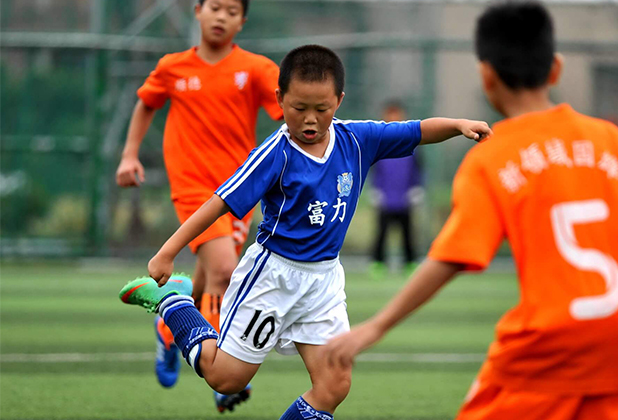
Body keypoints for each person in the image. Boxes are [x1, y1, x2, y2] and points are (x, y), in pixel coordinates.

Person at [324, 3, 618, 420]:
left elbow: (451, 257)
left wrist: (376, 325)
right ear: (556, 69)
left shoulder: (493, 160)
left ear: (486, 76)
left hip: (545, 354)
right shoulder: (611, 141)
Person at [118, 44, 491, 420]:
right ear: (280, 99)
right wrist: (167, 251)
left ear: (339, 101)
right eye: (299, 109)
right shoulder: (274, 154)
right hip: (273, 277)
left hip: (324, 282)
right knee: (225, 379)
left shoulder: (357, 140)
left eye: (321, 109)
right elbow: (219, 203)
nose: (310, 120)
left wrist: (459, 125)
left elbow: (417, 130)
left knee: (334, 384)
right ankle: (175, 301)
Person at [114, 0, 282, 410]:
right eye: (215, 7)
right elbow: (146, 103)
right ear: (198, 11)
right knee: (225, 270)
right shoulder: (173, 67)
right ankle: (223, 375)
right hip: (192, 187)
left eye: (231, 11)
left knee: (208, 279)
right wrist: (129, 154)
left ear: (242, 21)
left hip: (239, 189)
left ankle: (169, 326)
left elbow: (291, 111)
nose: (221, 16)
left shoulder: (257, 69)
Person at [369, 101, 424, 278]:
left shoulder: (411, 142)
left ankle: (410, 263)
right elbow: (373, 168)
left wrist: (416, 188)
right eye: (390, 114)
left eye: (396, 114)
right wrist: (375, 189)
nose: (393, 118)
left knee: (408, 232)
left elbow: (418, 168)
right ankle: (378, 263)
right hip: (385, 196)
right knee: (381, 232)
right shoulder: (379, 142)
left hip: (405, 197)